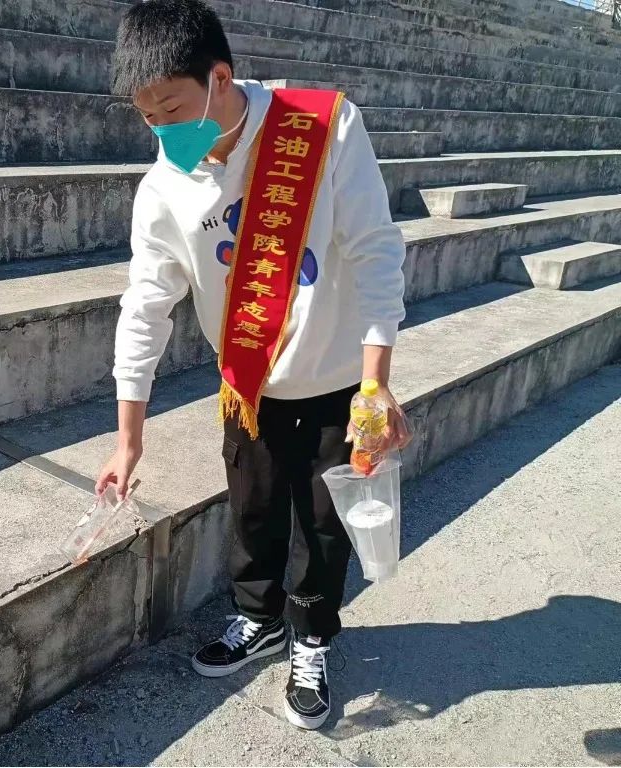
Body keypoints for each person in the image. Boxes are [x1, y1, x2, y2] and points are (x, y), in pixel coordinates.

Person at [95, 0, 412, 730]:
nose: (165, 131)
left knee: (325, 526)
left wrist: (376, 381)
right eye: (148, 118)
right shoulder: (165, 186)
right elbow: (145, 306)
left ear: (220, 77)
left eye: (173, 109)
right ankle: (259, 618)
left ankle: (312, 636)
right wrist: (128, 438)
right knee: (254, 511)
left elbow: (374, 250)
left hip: (339, 383)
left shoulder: (322, 127)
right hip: (250, 387)